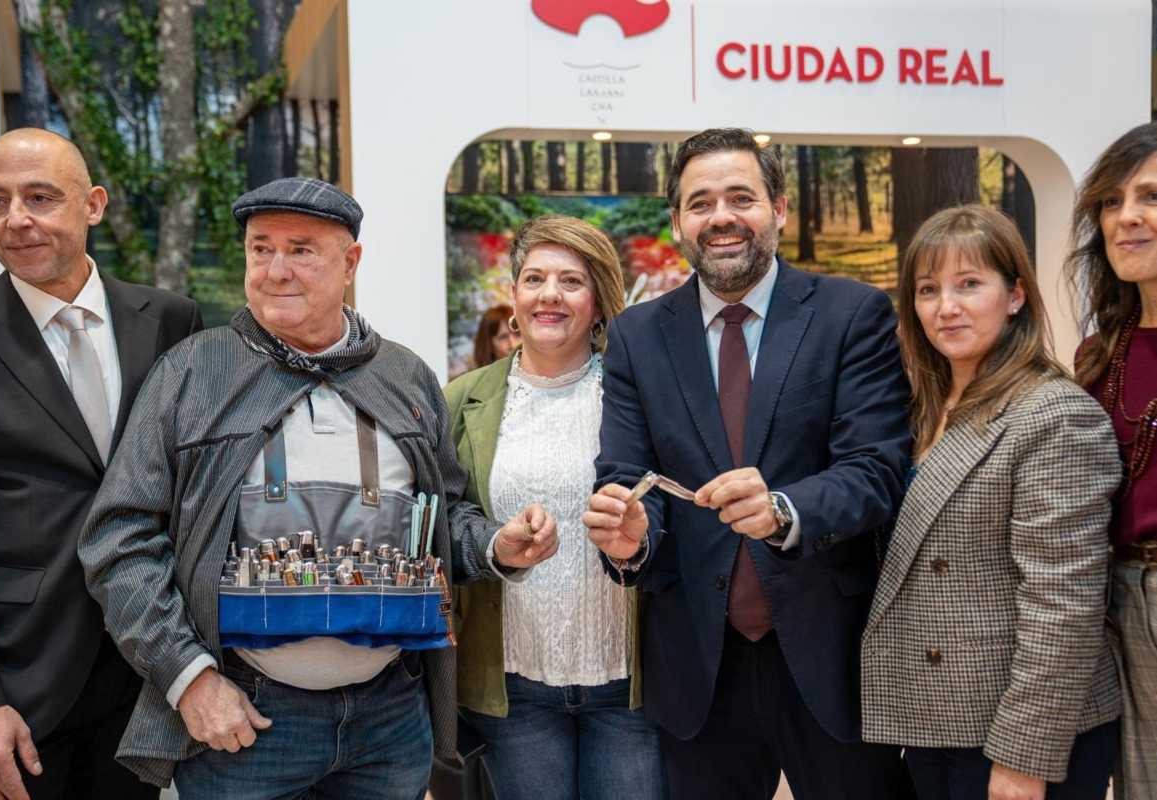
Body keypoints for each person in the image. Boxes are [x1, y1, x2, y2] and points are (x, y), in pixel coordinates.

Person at [77, 177, 558, 797]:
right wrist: (189, 678)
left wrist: (496, 546)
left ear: (350, 263)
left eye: (302, 249)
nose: (276, 269)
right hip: (245, 723)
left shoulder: (404, 377)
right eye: (260, 248)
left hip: (390, 721)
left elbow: (442, 518)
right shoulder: (192, 374)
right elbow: (121, 537)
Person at [583, 127, 914, 800]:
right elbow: (624, 473)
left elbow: (875, 469)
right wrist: (630, 538)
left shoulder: (851, 315)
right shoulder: (637, 337)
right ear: (678, 221)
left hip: (830, 651)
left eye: (741, 197)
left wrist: (784, 510)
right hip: (697, 665)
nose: (722, 217)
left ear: (779, 209)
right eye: (700, 202)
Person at [0, 128, 202, 800]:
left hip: (148, 675)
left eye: (40, 197)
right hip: (20, 683)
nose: (17, 220)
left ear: (93, 204)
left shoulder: (171, 321)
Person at [862, 205, 1122, 800]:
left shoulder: (1055, 414)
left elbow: (1064, 607)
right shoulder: (918, 411)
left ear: (1015, 296)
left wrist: (1023, 758)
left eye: (969, 284)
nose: (945, 307)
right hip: (937, 721)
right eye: (928, 290)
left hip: (1015, 735)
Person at [445, 215, 663, 799]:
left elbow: (674, 512)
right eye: (534, 278)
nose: (549, 294)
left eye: (570, 281)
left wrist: (638, 537)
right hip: (514, 687)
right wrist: (496, 543)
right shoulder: (462, 400)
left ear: (598, 302)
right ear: (513, 295)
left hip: (627, 683)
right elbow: (442, 518)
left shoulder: (638, 394)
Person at [1066, 121, 1157, 799]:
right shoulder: (1100, 351)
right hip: (1113, 598)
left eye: (1150, 197)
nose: (1125, 217)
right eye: (1110, 201)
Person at [472, 304, 518, 368]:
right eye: (503, 337)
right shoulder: (481, 377)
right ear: (488, 345)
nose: (513, 344)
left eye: (517, 334)